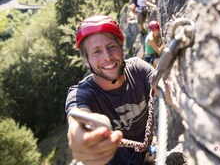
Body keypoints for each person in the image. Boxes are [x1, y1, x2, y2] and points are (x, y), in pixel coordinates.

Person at [65, 15, 158, 165]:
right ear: (86, 60)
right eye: (96, 51)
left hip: (144, 155)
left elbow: (163, 85)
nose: (107, 57)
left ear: (121, 48)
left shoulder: (138, 69)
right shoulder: (81, 94)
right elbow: (77, 119)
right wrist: (79, 139)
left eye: (111, 46)